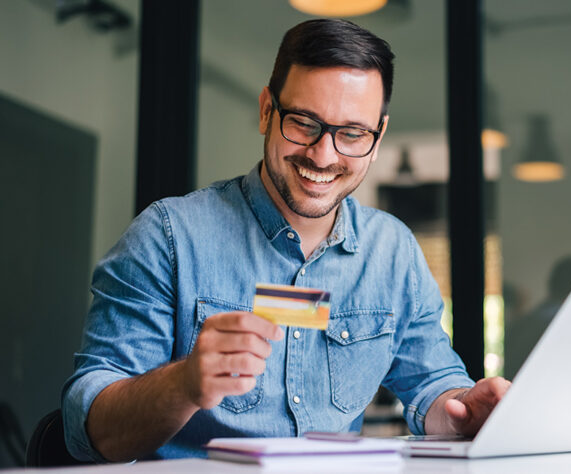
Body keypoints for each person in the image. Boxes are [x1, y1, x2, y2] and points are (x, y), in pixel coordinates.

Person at [62, 19, 510, 462]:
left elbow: (432, 382)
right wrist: (183, 384)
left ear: (377, 139)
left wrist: (461, 411)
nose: (323, 154)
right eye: (303, 123)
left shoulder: (392, 251)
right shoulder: (167, 237)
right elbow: (89, 426)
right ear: (265, 111)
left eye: (352, 133)